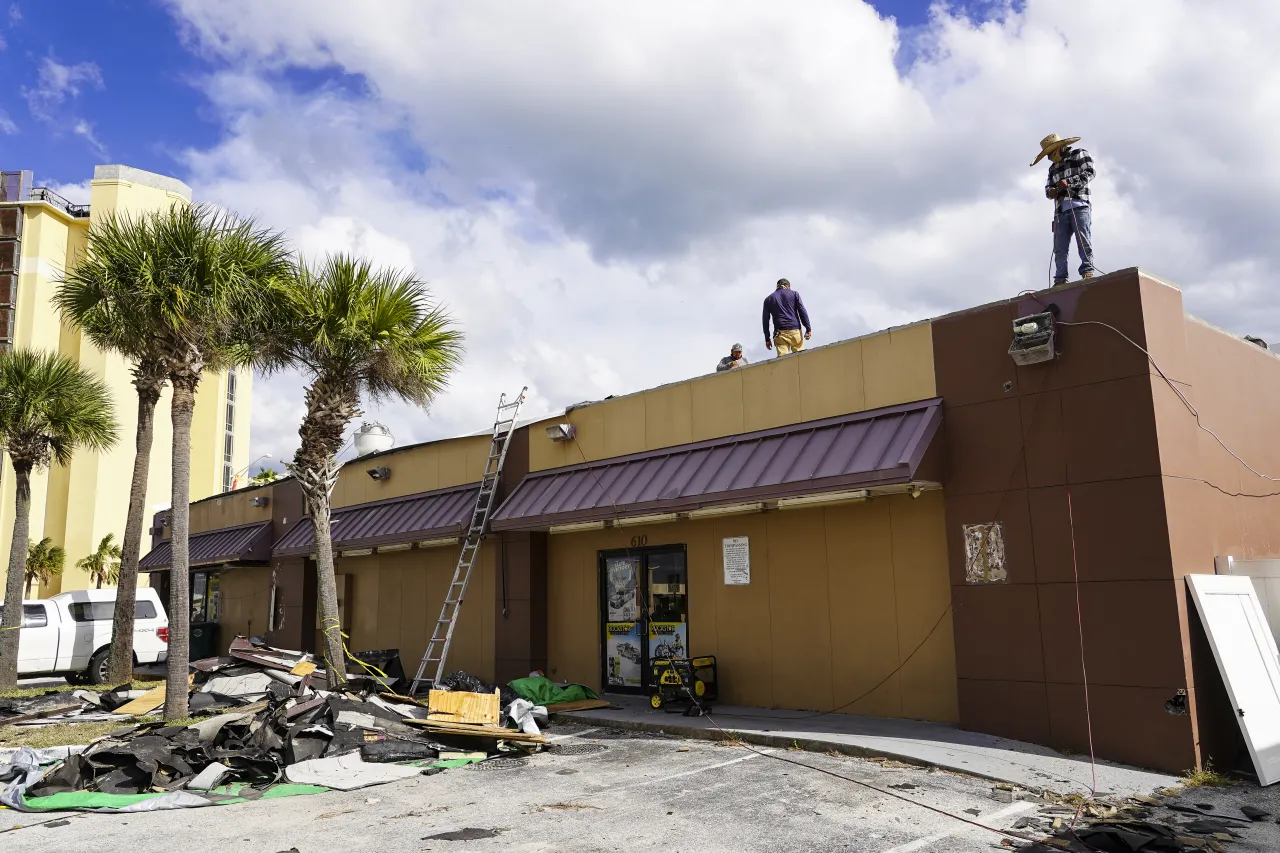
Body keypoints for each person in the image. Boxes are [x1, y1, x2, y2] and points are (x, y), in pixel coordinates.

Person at [1031, 133, 1097, 286]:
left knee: (1083, 240)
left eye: (1050, 154)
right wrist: (1051, 192)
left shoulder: (1079, 153)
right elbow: (1048, 188)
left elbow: (1090, 172)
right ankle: (1060, 279)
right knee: (1060, 248)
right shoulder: (1052, 168)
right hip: (1060, 211)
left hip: (1080, 205)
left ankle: (1087, 271)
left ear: (1058, 149)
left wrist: (1069, 182)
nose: (1048, 158)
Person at [762, 278, 811, 356]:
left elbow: (765, 321)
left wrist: (767, 339)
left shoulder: (768, 299)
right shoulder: (794, 294)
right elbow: (802, 311)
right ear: (788, 286)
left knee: (783, 361)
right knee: (800, 359)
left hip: (780, 333)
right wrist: (808, 328)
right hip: (795, 331)